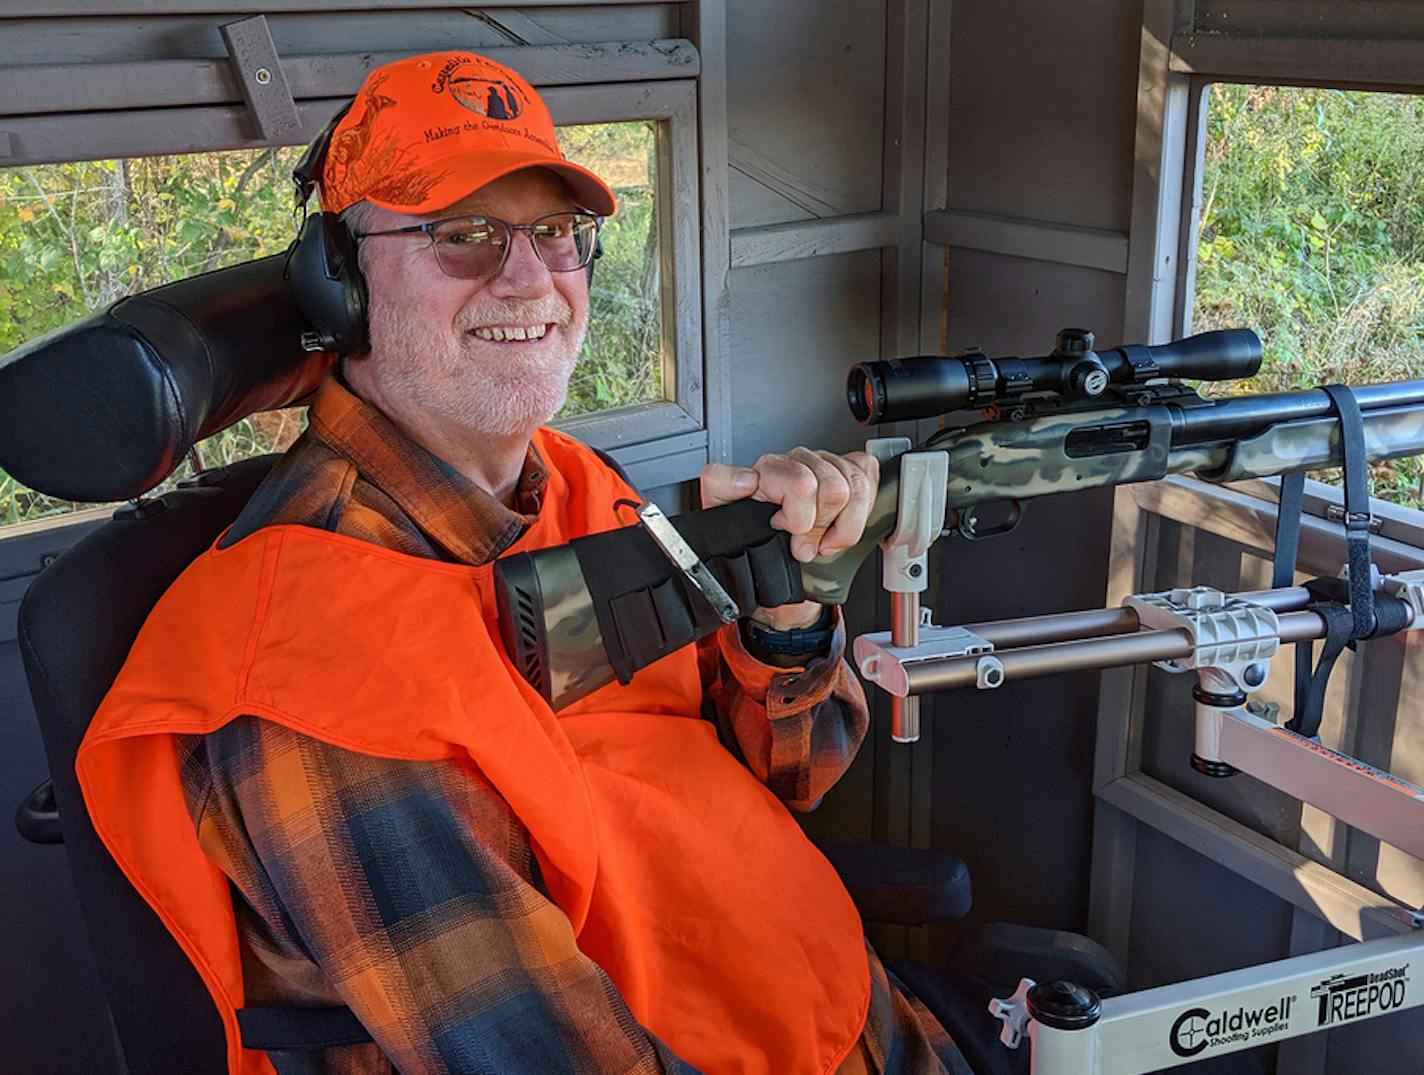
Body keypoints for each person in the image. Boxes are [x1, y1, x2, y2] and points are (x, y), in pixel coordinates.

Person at [77, 51, 975, 1075]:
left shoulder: (571, 481)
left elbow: (792, 771)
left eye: (554, 233)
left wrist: (794, 603)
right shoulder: (306, 669)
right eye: (462, 235)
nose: (529, 278)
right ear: (340, 282)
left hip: (855, 1017)